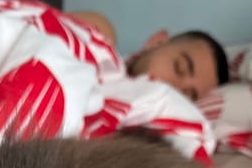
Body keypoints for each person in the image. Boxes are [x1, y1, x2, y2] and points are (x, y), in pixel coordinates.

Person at [70, 11, 229, 101]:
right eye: (179, 68)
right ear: (157, 42)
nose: (176, 88)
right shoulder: (101, 36)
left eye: (188, 95)